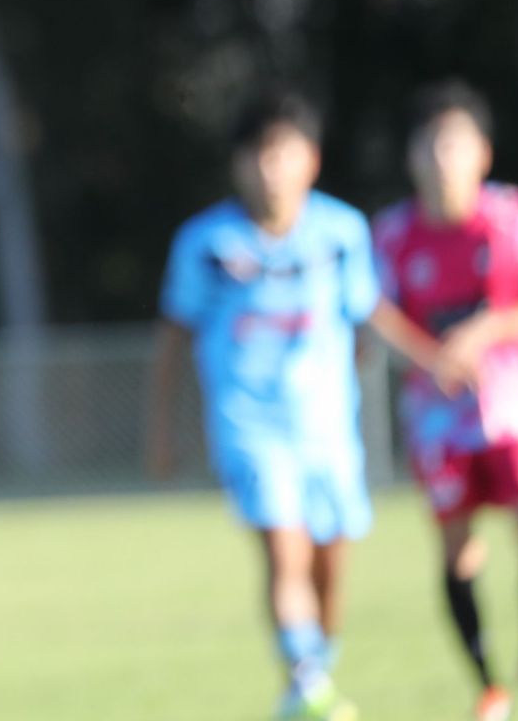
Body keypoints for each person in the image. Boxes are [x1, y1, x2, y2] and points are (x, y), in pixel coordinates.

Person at [146, 90, 376, 721]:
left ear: (312, 160)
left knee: (331, 558)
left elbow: (363, 325)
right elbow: (173, 341)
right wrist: (163, 431)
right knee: (284, 548)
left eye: (284, 153)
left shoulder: (343, 233)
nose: (271, 168)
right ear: (239, 164)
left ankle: (310, 677)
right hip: (248, 424)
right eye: (258, 155)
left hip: (327, 427)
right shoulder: (206, 242)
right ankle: (307, 680)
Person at [371, 81, 518, 721]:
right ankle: (488, 685)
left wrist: (487, 329)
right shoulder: (391, 235)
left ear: (483, 153)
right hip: (438, 419)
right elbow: (376, 314)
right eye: (432, 144)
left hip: (516, 410)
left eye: (456, 143)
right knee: (457, 550)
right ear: (413, 157)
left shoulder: (515, 215)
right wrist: (432, 357)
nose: (444, 157)